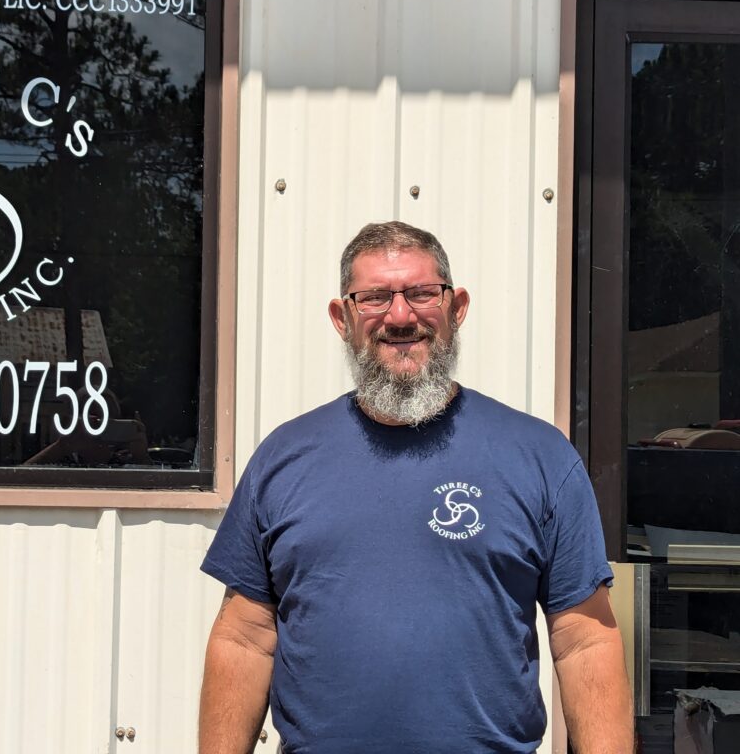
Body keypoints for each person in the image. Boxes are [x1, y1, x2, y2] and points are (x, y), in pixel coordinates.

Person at [198, 222, 632, 753]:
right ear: (342, 318)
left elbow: (585, 639)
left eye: (422, 293)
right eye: (375, 298)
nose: (400, 316)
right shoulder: (283, 459)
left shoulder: (539, 457)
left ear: (457, 307)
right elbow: (244, 637)